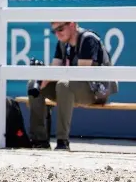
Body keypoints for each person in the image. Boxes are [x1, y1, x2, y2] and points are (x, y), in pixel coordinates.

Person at [27, 22, 118, 151]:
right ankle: (39, 140)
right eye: (54, 31)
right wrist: (40, 82)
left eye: (60, 29)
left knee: (63, 85)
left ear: (72, 25)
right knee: (33, 84)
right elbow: (56, 67)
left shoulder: (88, 39)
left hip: (96, 91)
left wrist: (54, 74)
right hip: (72, 88)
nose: (57, 34)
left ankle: (62, 141)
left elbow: (81, 73)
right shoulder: (62, 42)